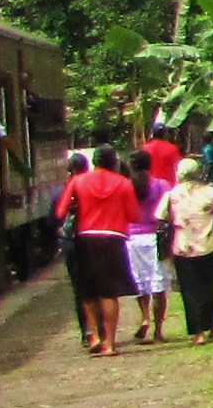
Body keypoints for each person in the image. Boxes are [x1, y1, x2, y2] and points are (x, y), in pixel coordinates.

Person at [59, 145, 147, 359]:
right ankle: (109, 342)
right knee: (109, 293)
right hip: (114, 239)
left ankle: (95, 336)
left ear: (94, 162)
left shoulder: (78, 181)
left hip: (85, 239)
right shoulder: (124, 183)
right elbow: (134, 216)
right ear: (114, 162)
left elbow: (61, 211)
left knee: (88, 291)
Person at [164, 155, 213, 344]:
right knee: (211, 286)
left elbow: (160, 217)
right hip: (208, 245)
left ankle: (198, 333)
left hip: (183, 248)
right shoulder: (207, 191)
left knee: (189, 290)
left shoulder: (171, 195)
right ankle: (211, 325)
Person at [125, 139, 176, 345]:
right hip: (155, 238)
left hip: (132, 238)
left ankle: (145, 316)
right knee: (158, 285)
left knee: (140, 282)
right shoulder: (161, 185)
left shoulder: (126, 186)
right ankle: (158, 330)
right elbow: (169, 212)